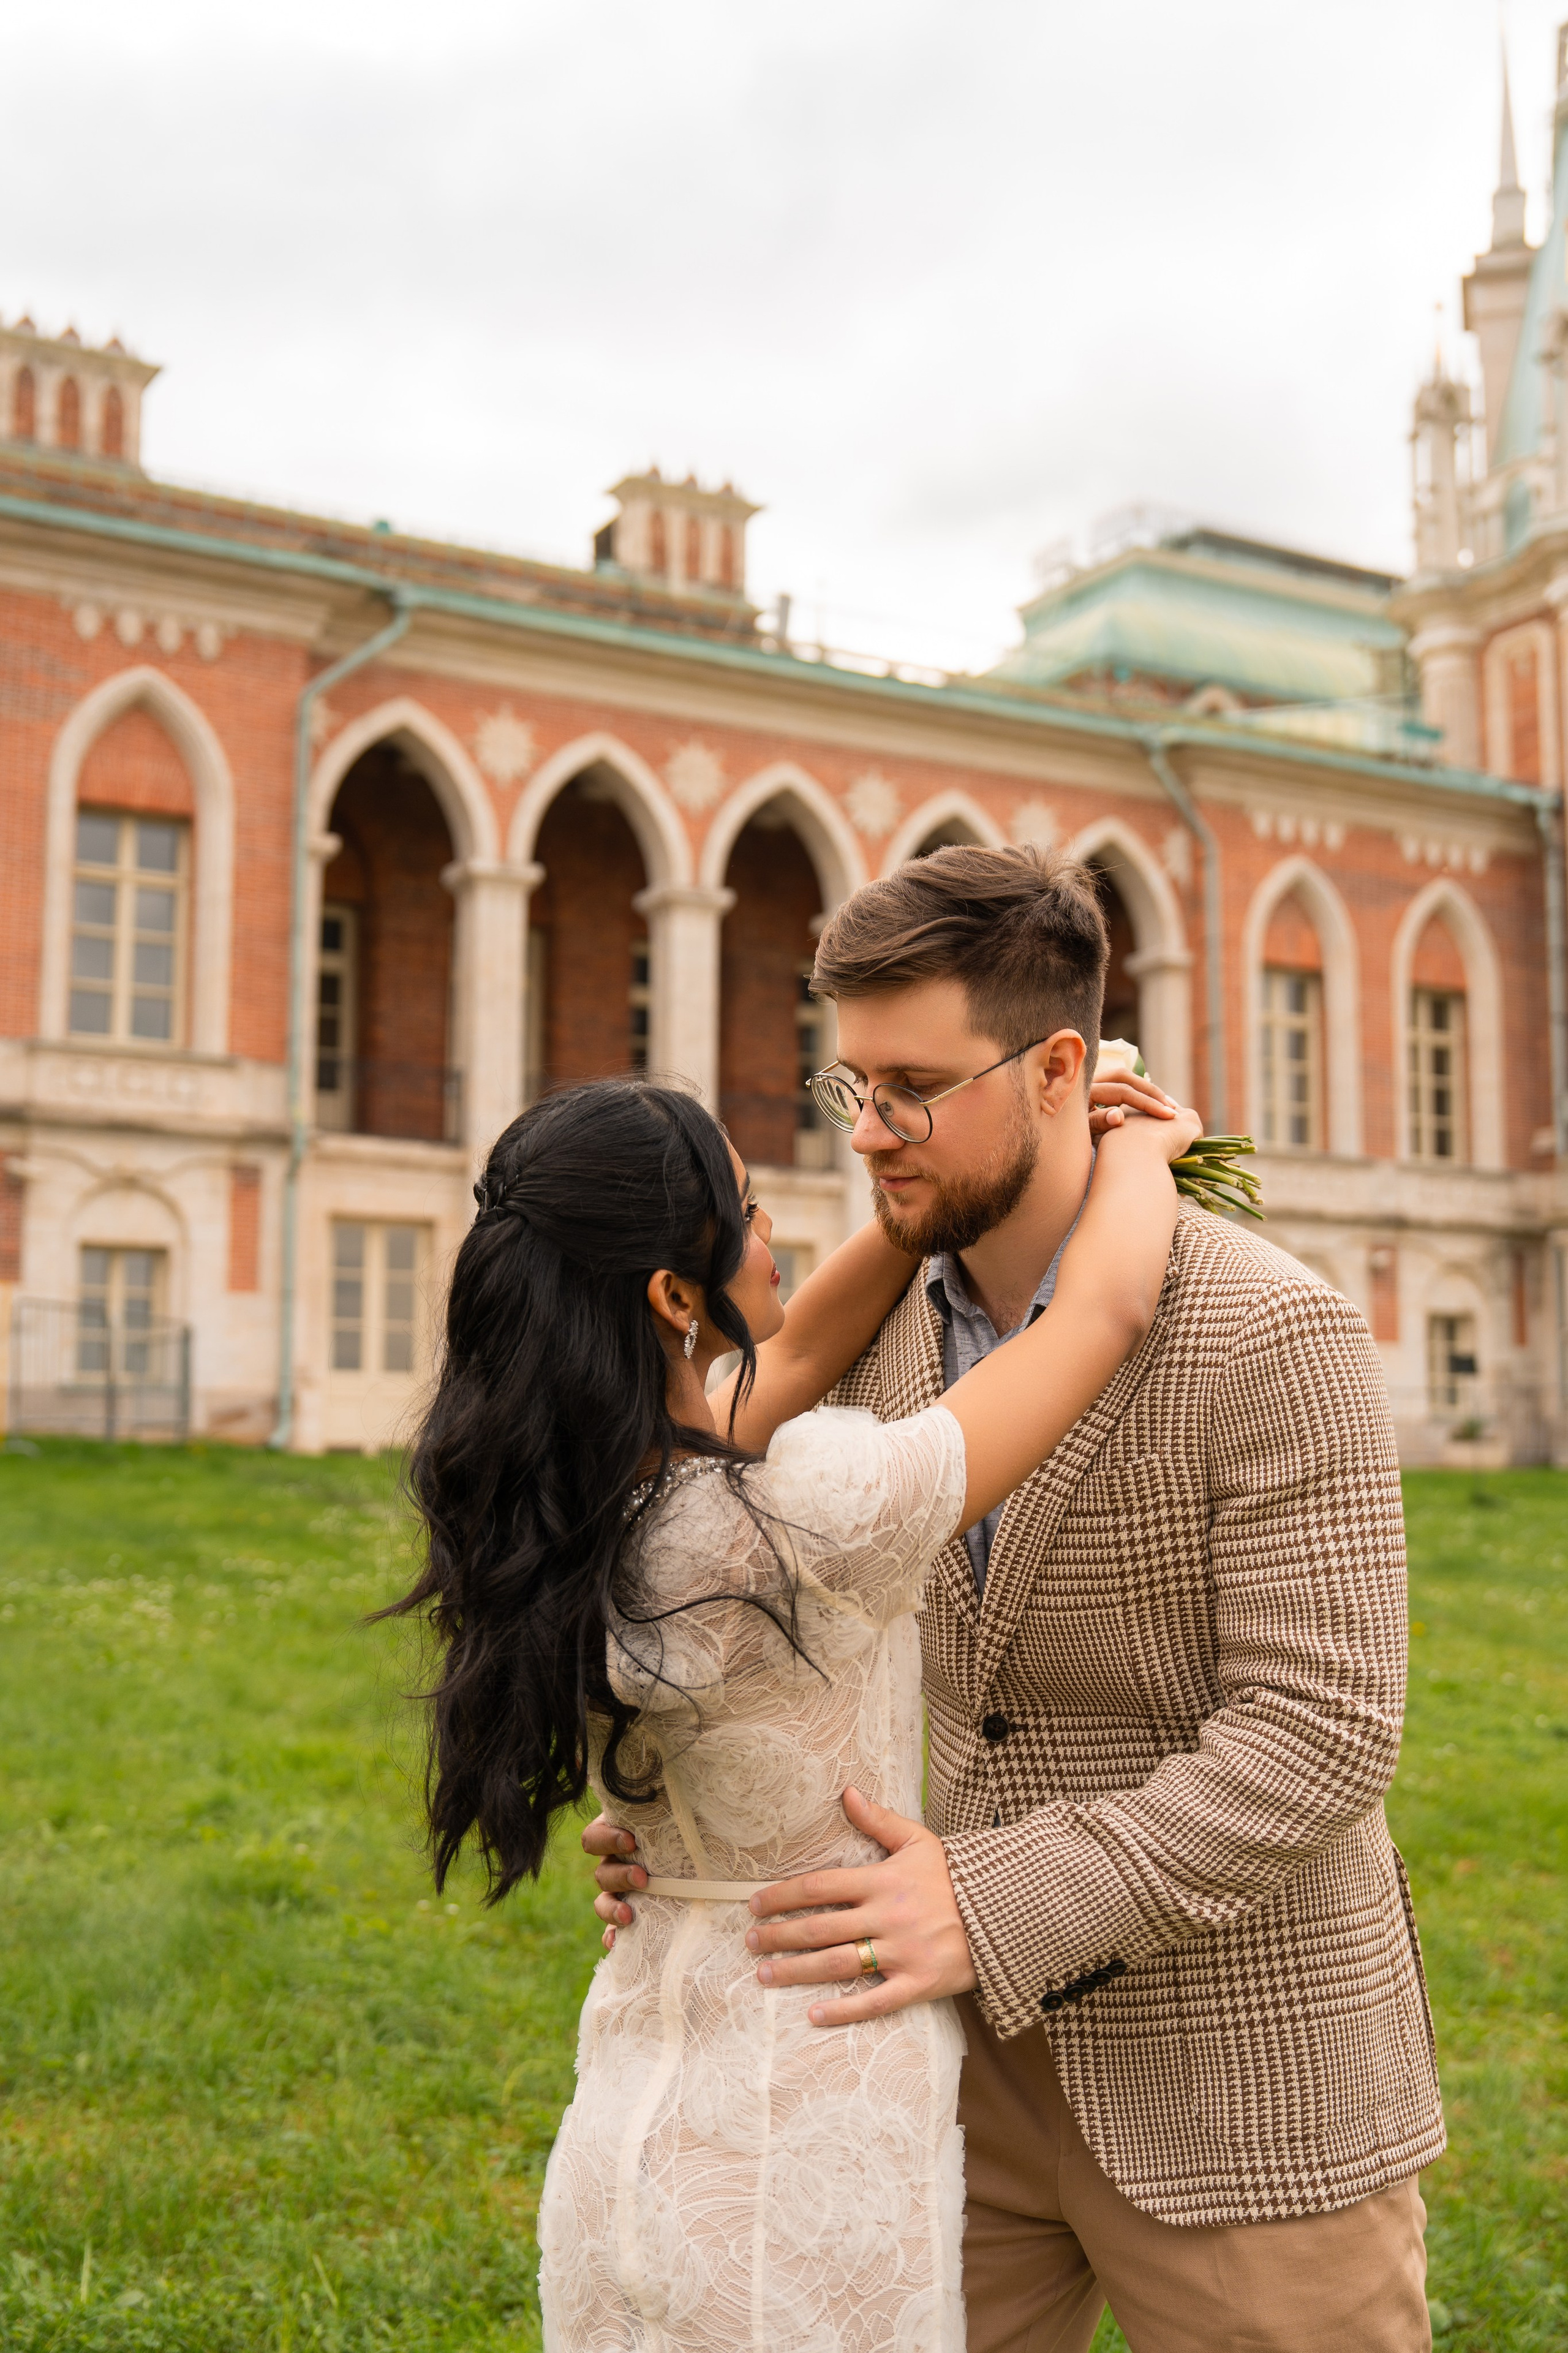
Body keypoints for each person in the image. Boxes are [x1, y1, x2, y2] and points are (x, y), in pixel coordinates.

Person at [590, 845, 1444, 2353]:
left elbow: (1322, 1733)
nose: (869, 1133)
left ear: (1060, 1067)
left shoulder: (1272, 1330)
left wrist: (988, 1905)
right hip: (928, 2078)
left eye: (912, 1085)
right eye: (851, 1084)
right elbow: (750, 1604)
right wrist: (683, 1804)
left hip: (1243, 2071)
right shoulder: (849, 1338)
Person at [389, 1061, 1199, 2353]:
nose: (774, 1238)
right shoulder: (794, 1516)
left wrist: (915, 1204)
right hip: (798, 2131)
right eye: (748, 1213)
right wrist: (1148, 1150)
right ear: (670, 1295)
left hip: (632, 2130)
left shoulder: (575, 1509)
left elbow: (805, 1345)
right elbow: (1095, 1313)